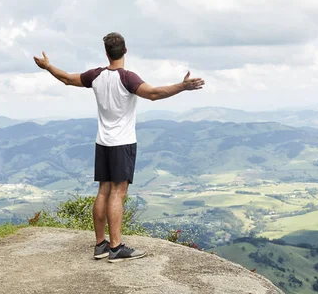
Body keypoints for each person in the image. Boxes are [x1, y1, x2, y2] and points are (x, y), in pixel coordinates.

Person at [33, 32, 205, 262]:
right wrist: (182, 86)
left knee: (104, 189)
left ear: (106, 53)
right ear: (125, 51)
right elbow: (153, 94)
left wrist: (48, 66)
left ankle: (100, 244)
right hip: (122, 143)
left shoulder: (96, 76)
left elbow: (66, 78)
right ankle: (115, 248)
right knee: (118, 192)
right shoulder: (128, 78)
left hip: (102, 142)